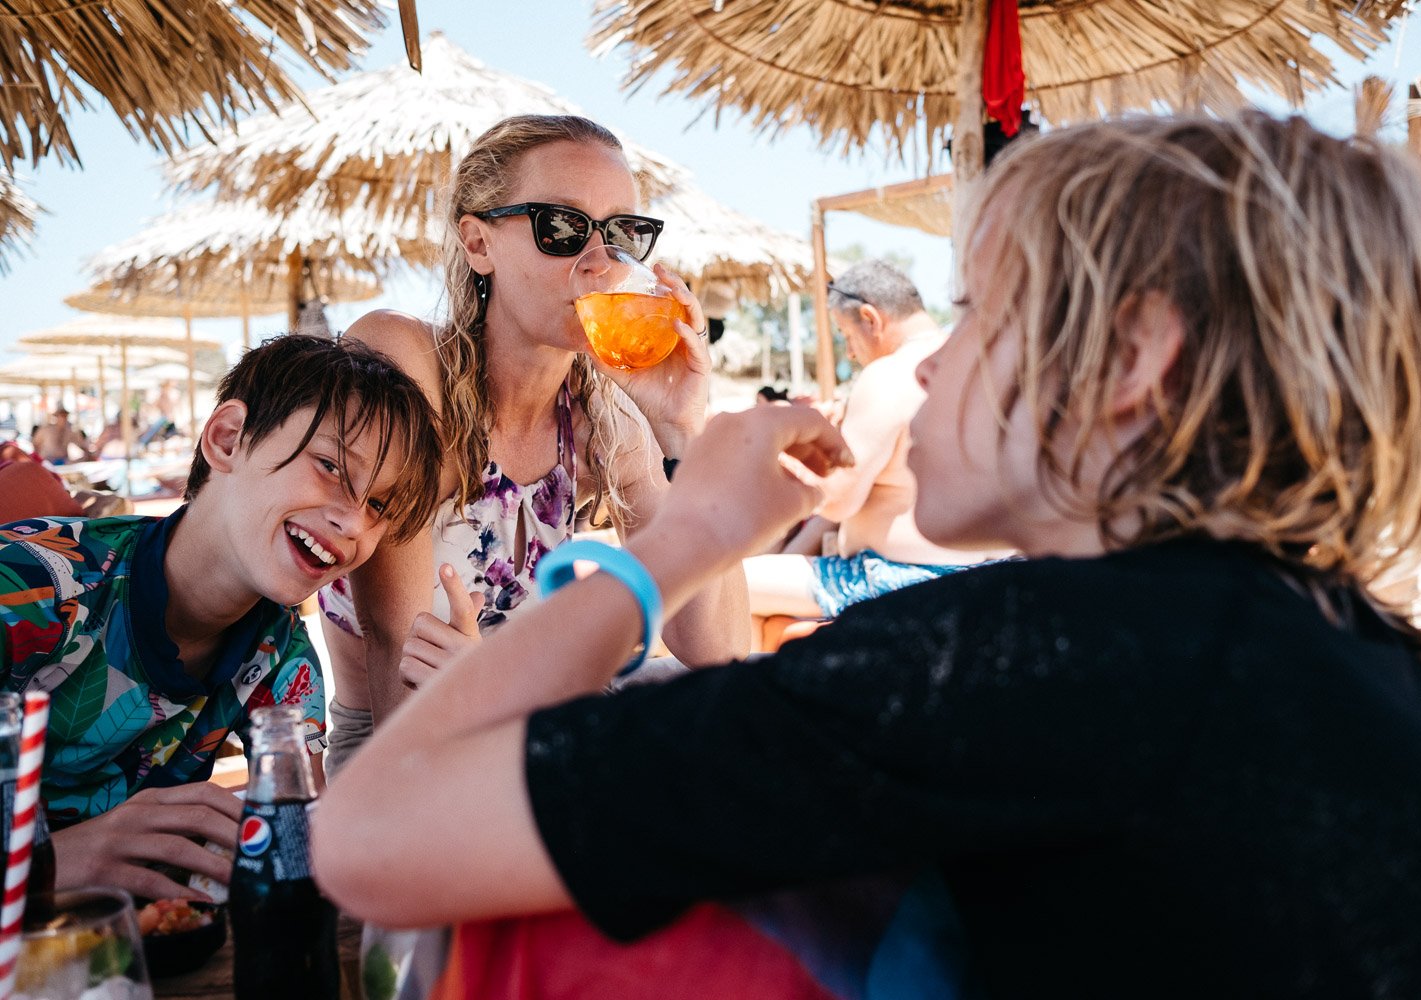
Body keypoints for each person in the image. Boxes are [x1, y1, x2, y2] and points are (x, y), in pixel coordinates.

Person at [314, 112, 1421, 997]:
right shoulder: (1357, 661)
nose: (928, 362)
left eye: (980, 308)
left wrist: (691, 533)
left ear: (1136, 359)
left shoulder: (1020, 665)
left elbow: (369, 837)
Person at [316, 114, 749, 772]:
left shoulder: (605, 413)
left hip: (543, 724)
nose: (599, 261)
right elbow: (398, 681)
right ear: (477, 243)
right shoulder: (403, 362)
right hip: (407, 765)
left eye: (621, 233)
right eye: (563, 228)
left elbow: (714, 645)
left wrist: (684, 433)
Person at [0, 335, 441, 902]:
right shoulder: (30, 586)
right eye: (331, 467)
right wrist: (53, 864)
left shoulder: (282, 664)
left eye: (380, 505)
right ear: (228, 439)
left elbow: (304, 843)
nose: (354, 523)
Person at [745, 261, 1009, 645]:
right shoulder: (979, 362)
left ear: (871, 318)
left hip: (896, 578)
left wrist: (793, 450)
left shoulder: (889, 375)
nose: (850, 353)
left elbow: (837, 504)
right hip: (980, 572)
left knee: (725, 585)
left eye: (846, 336)